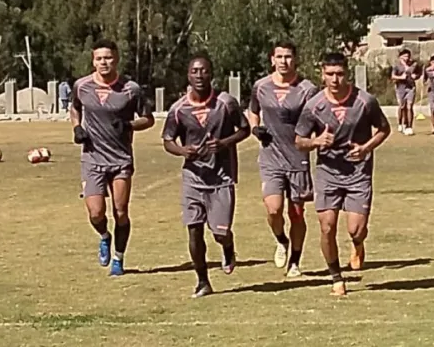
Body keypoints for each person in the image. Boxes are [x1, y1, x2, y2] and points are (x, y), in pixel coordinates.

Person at [295, 52, 392, 297]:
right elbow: (299, 141)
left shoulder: (365, 101)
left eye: (339, 74)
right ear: (322, 75)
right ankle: (336, 277)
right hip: (327, 173)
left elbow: (384, 129)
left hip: (358, 173)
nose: (335, 79)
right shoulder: (313, 106)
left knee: (356, 230)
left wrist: (365, 148)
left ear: (347, 74)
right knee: (327, 227)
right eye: (330, 74)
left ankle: (358, 244)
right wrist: (316, 141)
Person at [162, 55, 251, 298]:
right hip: (193, 177)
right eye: (194, 71)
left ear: (211, 74)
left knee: (220, 233)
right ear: (188, 75)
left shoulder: (226, 103)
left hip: (221, 178)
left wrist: (224, 143)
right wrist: (183, 151)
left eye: (204, 71)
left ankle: (228, 247)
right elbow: (168, 140)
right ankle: (202, 281)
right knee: (194, 230)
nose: (199, 75)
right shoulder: (178, 109)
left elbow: (245, 129)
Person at [70, 39, 156, 276]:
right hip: (92, 157)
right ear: (93, 61)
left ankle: (118, 258)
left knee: (120, 211)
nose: (103, 62)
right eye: (99, 58)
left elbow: (148, 119)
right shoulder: (82, 86)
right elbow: (75, 107)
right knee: (96, 213)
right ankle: (104, 236)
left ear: (116, 59)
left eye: (108, 57)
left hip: (120, 159)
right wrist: (77, 127)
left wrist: (129, 125)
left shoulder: (131, 89)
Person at [246, 40, 318, 278]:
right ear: (272, 59)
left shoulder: (307, 89)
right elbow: (253, 110)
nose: (284, 61)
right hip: (271, 157)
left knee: (296, 213)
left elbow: (317, 120)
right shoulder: (261, 86)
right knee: (274, 208)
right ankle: (281, 240)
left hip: (298, 158)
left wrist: (313, 141)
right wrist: (255, 128)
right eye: (279, 57)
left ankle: (295, 262)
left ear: (295, 59)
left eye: (288, 57)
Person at [391, 48, 423, 136]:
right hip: (400, 88)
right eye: (404, 56)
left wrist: (415, 76)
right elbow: (393, 76)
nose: (407, 58)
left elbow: (419, 73)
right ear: (400, 57)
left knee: (409, 106)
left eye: (408, 56)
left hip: (411, 87)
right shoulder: (397, 66)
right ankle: (400, 123)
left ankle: (409, 127)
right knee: (402, 107)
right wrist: (401, 77)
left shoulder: (414, 65)